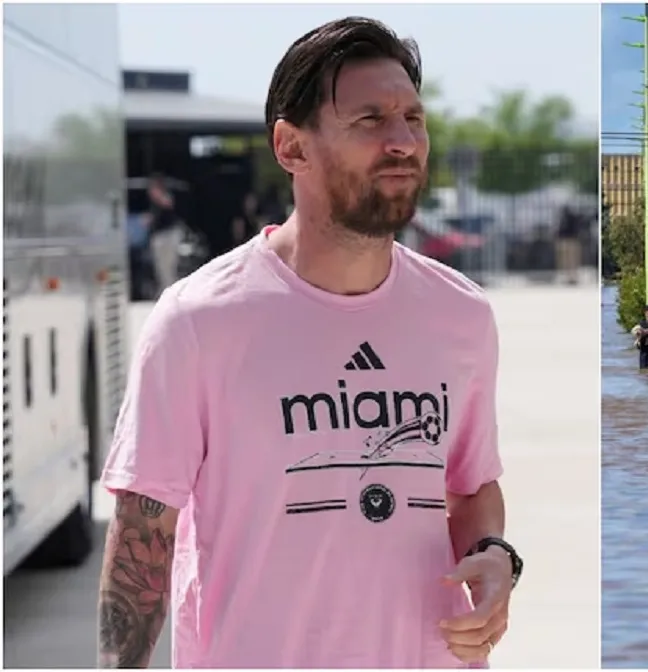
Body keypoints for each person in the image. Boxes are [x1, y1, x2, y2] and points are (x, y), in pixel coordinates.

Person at [97, 18, 521, 669]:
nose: (404, 141)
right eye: (371, 120)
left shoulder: (460, 315)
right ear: (291, 148)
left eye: (413, 117)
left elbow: (469, 489)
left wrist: (493, 556)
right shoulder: (200, 320)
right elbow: (141, 539)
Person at [146, 175, 186, 296]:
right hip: (158, 237)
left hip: (169, 235)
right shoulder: (153, 204)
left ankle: (171, 292)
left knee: (169, 266)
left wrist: (159, 197)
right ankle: (166, 290)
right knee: (161, 268)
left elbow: (168, 204)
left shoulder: (166, 197)